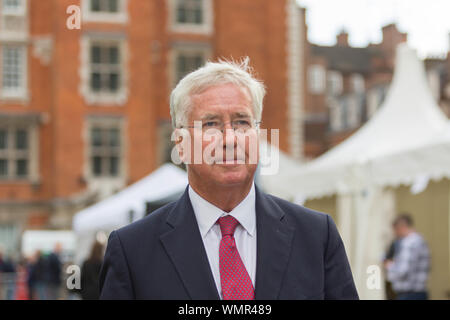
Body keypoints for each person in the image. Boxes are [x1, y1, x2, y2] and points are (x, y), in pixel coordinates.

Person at [99, 58, 358, 300]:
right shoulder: (132, 251)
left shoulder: (316, 236)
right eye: (211, 124)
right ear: (180, 144)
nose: (230, 139)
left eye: (242, 122)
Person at [384, 214, 430, 300]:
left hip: (409, 294)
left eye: (395, 230)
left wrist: (389, 265)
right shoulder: (420, 240)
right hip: (418, 292)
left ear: (401, 227)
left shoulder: (409, 243)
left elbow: (402, 271)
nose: (395, 233)